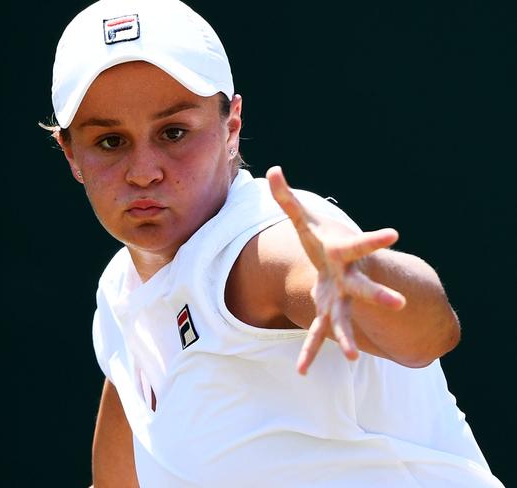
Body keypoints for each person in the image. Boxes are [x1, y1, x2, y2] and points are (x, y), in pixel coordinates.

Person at [42, 0, 505, 486]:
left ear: (231, 127)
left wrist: (356, 280)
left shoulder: (259, 247)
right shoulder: (121, 293)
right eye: (110, 142)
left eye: (174, 132)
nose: (144, 172)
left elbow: (426, 336)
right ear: (71, 153)